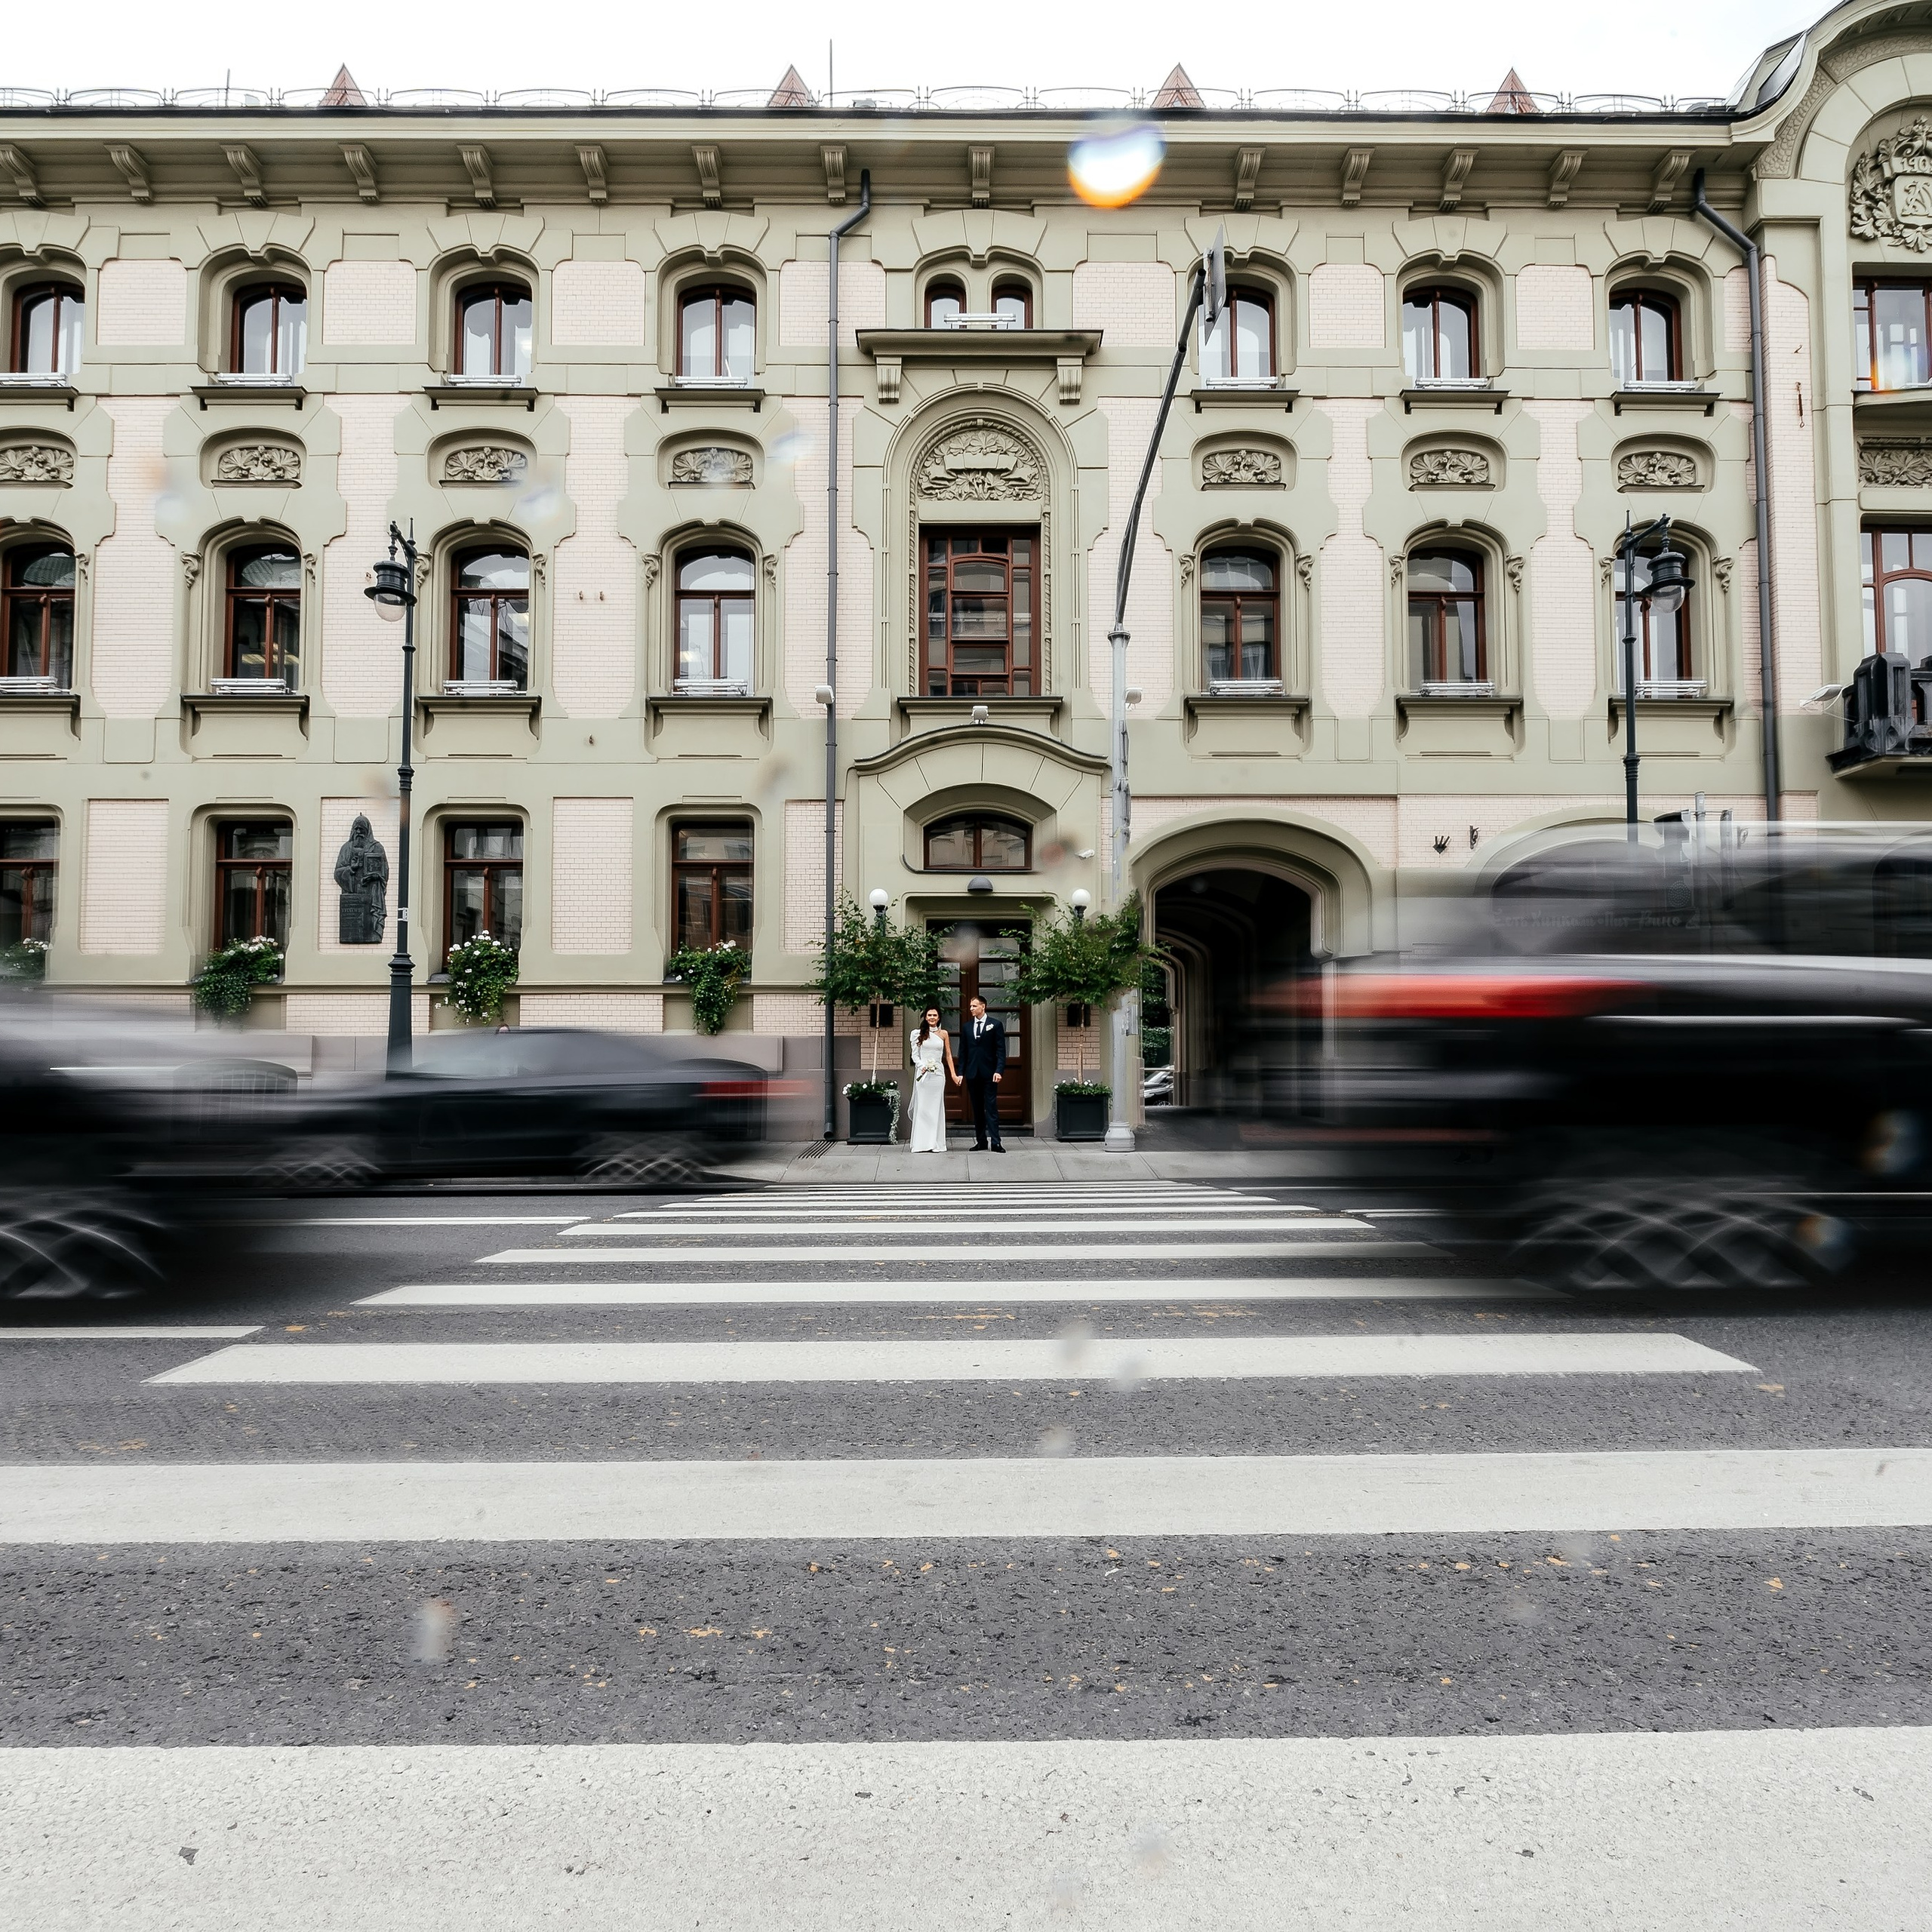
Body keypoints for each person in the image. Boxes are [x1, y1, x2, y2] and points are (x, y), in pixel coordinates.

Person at [957, 993, 1007, 1152]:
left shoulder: (996, 1025)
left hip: (989, 1073)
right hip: (972, 1074)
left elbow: (1001, 1050)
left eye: (974, 1006)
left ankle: (996, 1142)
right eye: (971, 1006)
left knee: (991, 1107)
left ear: (983, 1007)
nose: (971, 1009)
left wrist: (999, 1070)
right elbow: (963, 1051)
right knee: (977, 1109)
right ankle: (981, 1141)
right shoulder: (966, 1027)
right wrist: (960, 1072)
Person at [907, 1006, 959, 1154]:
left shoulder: (943, 1034)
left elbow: (948, 1055)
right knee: (923, 1108)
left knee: (936, 1108)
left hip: (938, 1074)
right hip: (923, 1075)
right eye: (929, 1015)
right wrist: (922, 1065)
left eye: (935, 1015)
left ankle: (936, 1143)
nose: (932, 1017)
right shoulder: (917, 1033)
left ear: (939, 1017)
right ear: (925, 1017)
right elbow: (915, 1055)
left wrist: (953, 1074)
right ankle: (921, 1143)